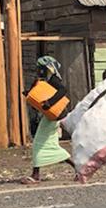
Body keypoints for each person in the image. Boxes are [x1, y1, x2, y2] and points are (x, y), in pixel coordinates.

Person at [21, 56, 74, 184]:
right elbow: (44, 93)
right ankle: (78, 168)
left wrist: (50, 103)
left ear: (47, 68)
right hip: (50, 116)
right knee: (45, 144)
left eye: (41, 68)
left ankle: (35, 175)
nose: (39, 70)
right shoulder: (47, 80)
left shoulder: (54, 79)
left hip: (53, 116)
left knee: (39, 143)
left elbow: (63, 90)